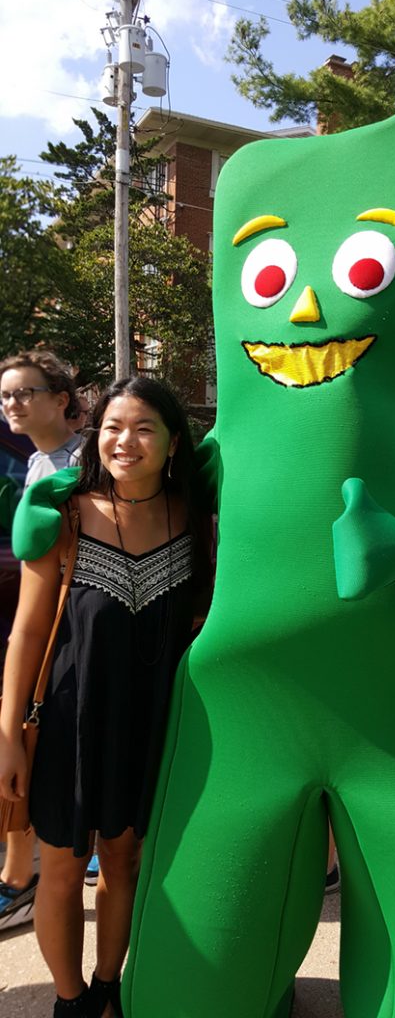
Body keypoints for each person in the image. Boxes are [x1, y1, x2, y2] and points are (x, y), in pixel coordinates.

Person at [0, 376, 210, 1018]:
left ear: (173, 442)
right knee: (62, 867)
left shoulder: (197, 521)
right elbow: (29, 630)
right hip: (70, 720)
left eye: (144, 428)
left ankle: (110, 984)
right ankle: (70, 1000)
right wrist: (8, 732)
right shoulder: (66, 514)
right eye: (114, 427)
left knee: (126, 860)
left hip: (154, 724)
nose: (125, 441)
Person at [0, 350, 81, 931]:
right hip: (44, 622)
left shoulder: (87, 456)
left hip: (72, 630)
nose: (13, 404)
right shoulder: (36, 463)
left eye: (26, 392)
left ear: (61, 399)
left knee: (35, 746)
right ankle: (18, 872)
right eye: (6, 395)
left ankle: (19, 876)